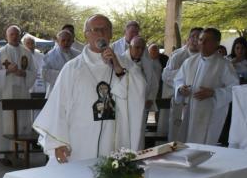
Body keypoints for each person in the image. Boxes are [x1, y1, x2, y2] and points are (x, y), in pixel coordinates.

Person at [33, 14, 146, 164]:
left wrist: (118, 68)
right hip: (79, 143)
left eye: (105, 29)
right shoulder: (72, 68)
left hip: (114, 140)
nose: (100, 33)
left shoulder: (125, 63)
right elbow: (58, 106)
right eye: (95, 30)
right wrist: (57, 142)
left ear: (111, 34)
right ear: (86, 35)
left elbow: (139, 92)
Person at [174, 28, 239, 145]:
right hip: (190, 112)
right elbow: (178, 80)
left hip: (210, 114)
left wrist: (214, 93)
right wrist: (180, 88)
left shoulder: (224, 65)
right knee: (188, 144)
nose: (202, 43)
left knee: (205, 148)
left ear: (216, 43)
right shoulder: (190, 62)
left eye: (207, 41)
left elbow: (234, 89)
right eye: (200, 40)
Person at [0, 25, 37, 160]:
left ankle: (20, 151)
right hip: (6, 93)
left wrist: (24, 73)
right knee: (5, 121)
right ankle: (4, 151)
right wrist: (7, 71)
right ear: (7, 36)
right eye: (12, 35)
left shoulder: (26, 52)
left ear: (20, 35)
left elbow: (33, 72)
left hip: (22, 92)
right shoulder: (1, 52)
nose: (15, 37)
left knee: (22, 122)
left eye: (17, 34)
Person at [162, 27, 202, 141]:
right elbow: (166, 75)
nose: (195, 40)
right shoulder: (178, 56)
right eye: (192, 36)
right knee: (177, 132)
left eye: (198, 37)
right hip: (180, 99)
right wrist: (180, 85)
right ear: (188, 39)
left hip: (197, 99)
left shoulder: (206, 57)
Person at [120, 36, 157, 147]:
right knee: (125, 134)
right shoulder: (121, 61)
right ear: (130, 47)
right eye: (137, 47)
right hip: (125, 106)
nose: (140, 51)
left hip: (142, 106)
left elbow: (154, 83)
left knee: (139, 134)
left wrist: (150, 98)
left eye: (142, 48)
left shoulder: (148, 63)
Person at [42, 29, 78, 97]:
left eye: (68, 40)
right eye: (63, 40)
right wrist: (65, 74)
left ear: (72, 41)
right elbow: (44, 73)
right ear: (58, 41)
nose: (66, 43)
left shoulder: (78, 55)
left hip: (73, 91)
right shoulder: (50, 56)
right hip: (56, 90)